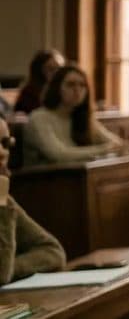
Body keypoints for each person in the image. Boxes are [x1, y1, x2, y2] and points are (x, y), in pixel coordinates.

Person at [0, 117, 67, 284]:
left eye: (6, 143)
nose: (2, 152)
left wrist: (11, 267)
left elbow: (52, 252)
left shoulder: (4, 198)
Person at [23, 66, 126, 165]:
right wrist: (104, 149)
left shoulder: (81, 117)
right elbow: (58, 154)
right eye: (70, 84)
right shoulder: (39, 118)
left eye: (82, 85)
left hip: (75, 177)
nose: (77, 90)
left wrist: (121, 146)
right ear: (57, 88)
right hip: (44, 179)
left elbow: (115, 143)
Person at [13, 50, 65, 115]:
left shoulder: (66, 90)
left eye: (59, 69)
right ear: (40, 71)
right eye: (51, 69)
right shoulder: (29, 93)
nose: (57, 73)